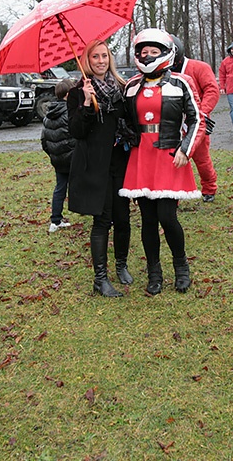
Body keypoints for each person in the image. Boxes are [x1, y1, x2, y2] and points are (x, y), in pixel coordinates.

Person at [119, 28, 205, 295]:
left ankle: (181, 267)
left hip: (169, 155)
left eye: (153, 52)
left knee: (167, 217)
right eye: (143, 52)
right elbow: (122, 119)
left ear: (166, 53)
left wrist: (185, 149)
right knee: (147, 219)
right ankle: (154, 273)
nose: (147, 56)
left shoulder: (181, 83)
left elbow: (197, 120)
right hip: (140, 157)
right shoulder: (131, 86)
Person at [67, 40, 132, 297]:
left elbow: (129, 121)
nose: (101, 61)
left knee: (123, 217)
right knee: (103, 220)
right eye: (95, 57)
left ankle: (122, 264)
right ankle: (100, 278)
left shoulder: (120, 88)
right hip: (95, 165)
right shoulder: (77, 91)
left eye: (104, 56)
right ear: (87, 60)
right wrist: (85, 103)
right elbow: (76, 132)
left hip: (119, 160)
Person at [169, 34, 220, 202]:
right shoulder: (162, 72)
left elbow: (212, 90)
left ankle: (209, 188)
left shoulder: (199, 67)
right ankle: (174, 192)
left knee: (201, 159)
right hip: (172, 124)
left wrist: (201, 114)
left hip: (196, 122)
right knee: (172, 159)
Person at [41, 78, 76, 233]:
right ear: (68, 95)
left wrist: (53, 154)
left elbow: (44, 139)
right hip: (73, 157)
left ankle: (55, 220)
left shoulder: (49, 114)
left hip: (57, 159)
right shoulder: (70, 112)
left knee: (60, 188)